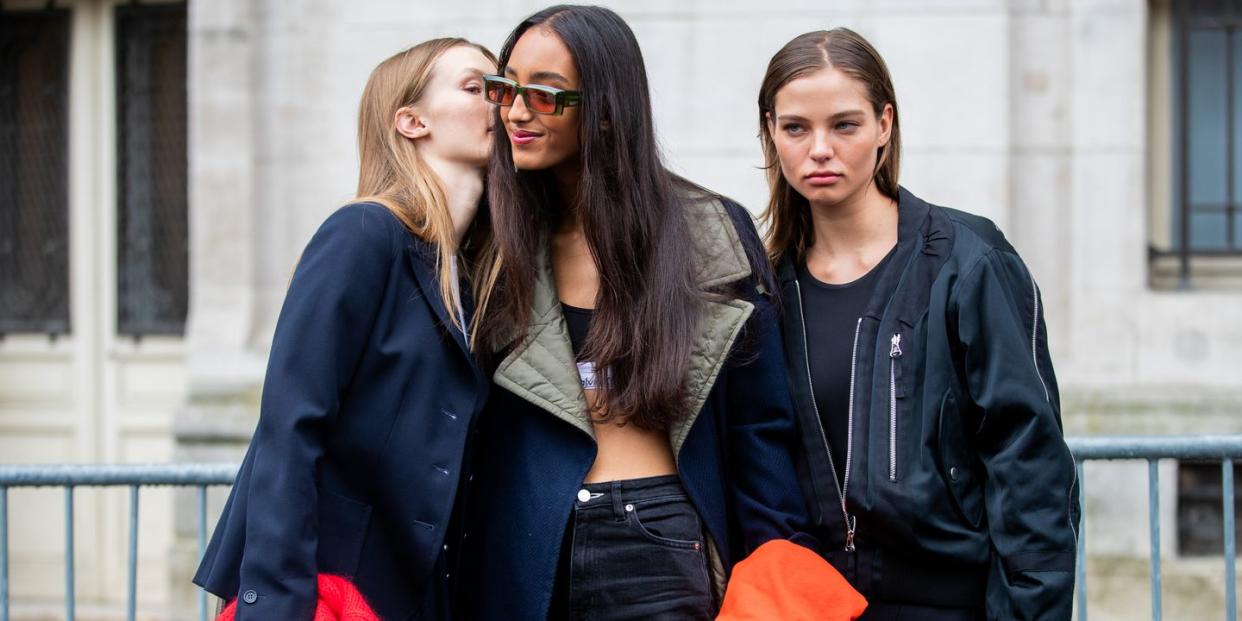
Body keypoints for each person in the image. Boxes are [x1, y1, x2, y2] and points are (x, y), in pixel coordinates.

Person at [459, 5, 814, 620]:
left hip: (656, 540)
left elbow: (760, 425)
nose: (515, 112)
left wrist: (779, 566)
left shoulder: (707, 230)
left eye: (544, 95)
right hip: (527, 544)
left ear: (603, 108)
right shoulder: (493, 243)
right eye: (506, 88)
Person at [758, 28, 1078, 620]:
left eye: (844, 125)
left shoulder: (967, 261)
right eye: (796, 127)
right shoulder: (767, 288)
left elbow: (1028, 458)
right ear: (771, 134)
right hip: (814, 605)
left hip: (950, 602)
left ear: (884, 124)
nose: (819, 149)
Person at [192, 37, 499, 621]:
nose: (500, 103)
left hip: (410, 592)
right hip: (329, 588)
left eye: (501, 88)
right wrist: (278, 603)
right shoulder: (363, 233)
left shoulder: (469, 270)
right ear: (412, 122)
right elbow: (290, 425)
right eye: (475, 87)